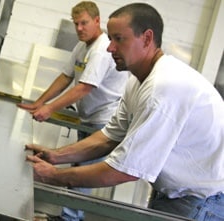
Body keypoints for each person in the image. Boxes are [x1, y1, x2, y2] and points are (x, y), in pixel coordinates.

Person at [26, 2, 224, 221]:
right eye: (110, 39)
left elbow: (124, 170)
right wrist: (57, 156)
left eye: (118, 39)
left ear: (147, 39)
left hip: (203, 202)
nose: (110, 48)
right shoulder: (137, 81)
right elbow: (108, 137)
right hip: (176, 194)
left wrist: (54, 176)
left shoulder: (164, 87)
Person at [17, 1, 128, 220]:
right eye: (76, 23)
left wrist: (49, 109)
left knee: (82, 173)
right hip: (89, 118)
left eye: (84, 23)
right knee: (79, 167)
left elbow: (85, 87)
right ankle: (68, 217)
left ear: (97, 21)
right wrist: (39, 103)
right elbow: (66, 76)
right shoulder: (83, 46)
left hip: (104, 122)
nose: (79, 28)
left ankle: (70, 218)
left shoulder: (100, 50)